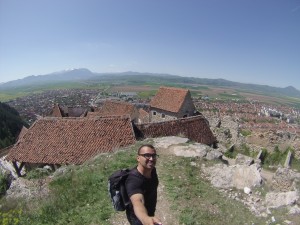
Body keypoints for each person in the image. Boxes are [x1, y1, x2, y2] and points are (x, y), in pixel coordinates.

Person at [125, 144, 162, 225]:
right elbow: (138, 201)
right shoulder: (133, 180)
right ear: (138, 158)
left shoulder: (152, 170)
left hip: (150, 212)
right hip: (138, 219)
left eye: (153, 155)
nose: (151, 159)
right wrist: (145, 219)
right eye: (147, 155)